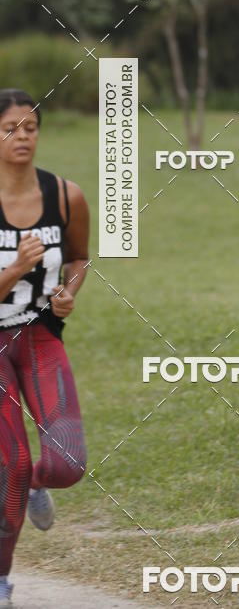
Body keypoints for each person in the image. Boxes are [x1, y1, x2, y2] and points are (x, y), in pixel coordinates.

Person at [0, 90, 89, 607]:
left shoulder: (65, 196)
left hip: (37, 337)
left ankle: (37, 484)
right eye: (10, 128)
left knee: (68, 462)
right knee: (7, 468)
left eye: (30, 127)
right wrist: (13, 269)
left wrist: (68, 293)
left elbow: (79, 257)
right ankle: (3, 579)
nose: (22, 137)